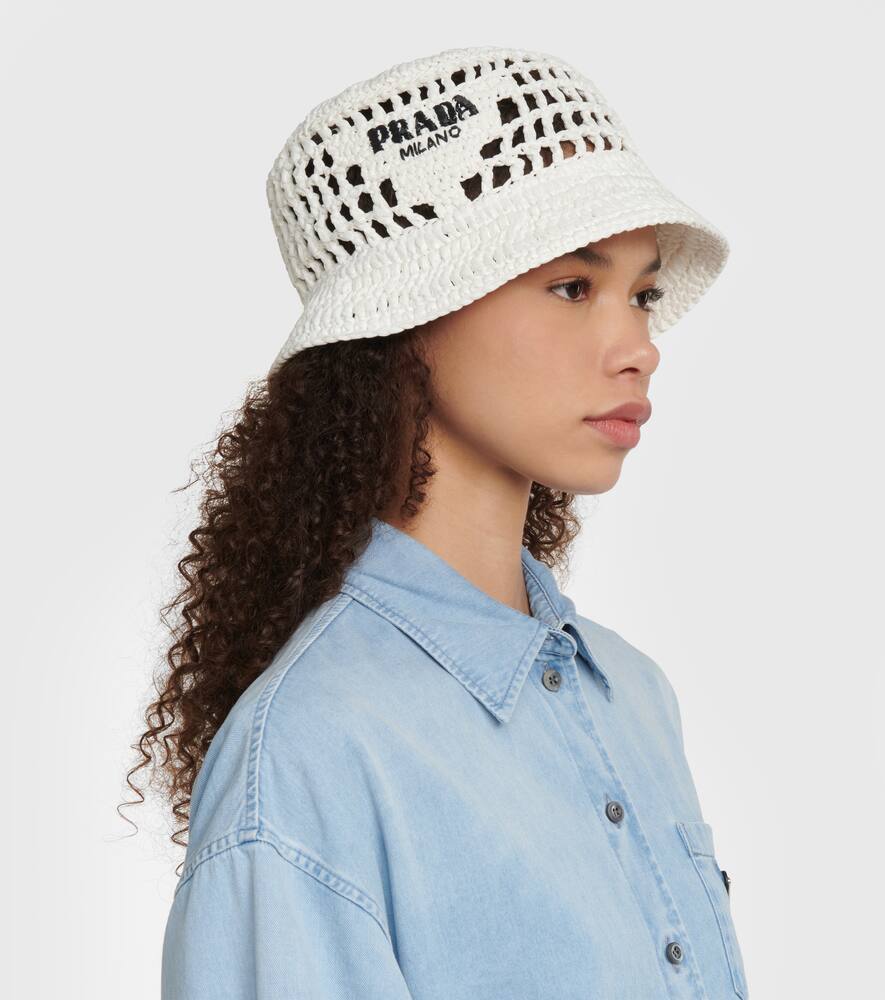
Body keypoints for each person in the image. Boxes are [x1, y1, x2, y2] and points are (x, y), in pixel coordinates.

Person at [131, 43, 748, 999]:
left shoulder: (632, 695)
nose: (638, 347)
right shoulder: (308, 754)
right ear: (409, 317)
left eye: (642, 295)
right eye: (572, 287)